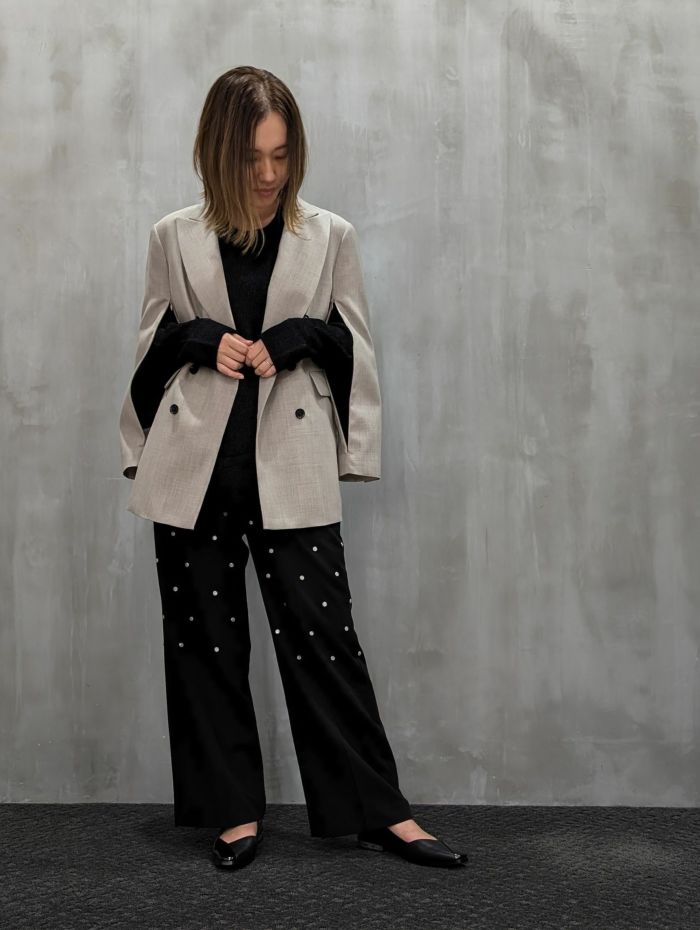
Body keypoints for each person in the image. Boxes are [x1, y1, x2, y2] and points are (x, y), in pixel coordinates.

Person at [119, 66, 467, 871]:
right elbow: (149, 355)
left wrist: (300, 336)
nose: (270, 175)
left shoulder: (330, 235)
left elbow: (354, 349)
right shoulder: (173, 235)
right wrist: (200, 336)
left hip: (291, 463)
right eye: (252, 158)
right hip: (193, 471)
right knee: (204, 646)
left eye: (282, 155)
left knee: (324, 639)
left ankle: (380, 814)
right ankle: (232, 813)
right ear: (218, 155)